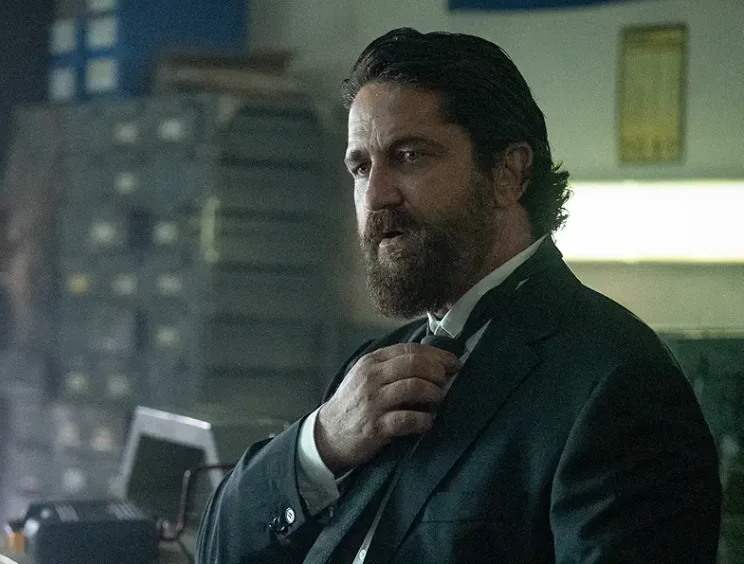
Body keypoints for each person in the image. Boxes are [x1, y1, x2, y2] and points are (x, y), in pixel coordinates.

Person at [196, 28, 722, 563]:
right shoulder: (376, 368)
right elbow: (219, 548)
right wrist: (321, 442)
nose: (375, 196)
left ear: (508, 174)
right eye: (361, 167)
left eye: (409, 155)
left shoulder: (616, 383)